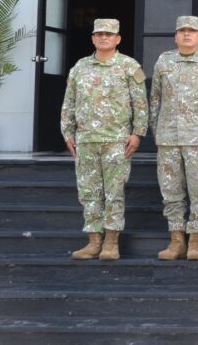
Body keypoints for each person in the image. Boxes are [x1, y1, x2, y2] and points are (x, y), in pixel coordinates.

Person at [61, 18, 148, 261]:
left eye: (109, 34)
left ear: (118, 39)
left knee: (114, 193)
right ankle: (93, 241)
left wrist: (138, 133)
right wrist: (68, 133)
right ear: (92, 38)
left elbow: (140, 103)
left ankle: (111, 242)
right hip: (86, 140)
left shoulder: (129, 67)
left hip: (117, 141)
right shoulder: (80, 67)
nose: (103, 38)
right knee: (89, 192)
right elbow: (69, 103)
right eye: (99, 34)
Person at [149, 16, 198, 261]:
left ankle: (195, 239)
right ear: (175, 36)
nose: (186, 35)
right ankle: (176, 240)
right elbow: (155, 99)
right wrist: (156, 129)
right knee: (171, 191)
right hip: (168, 138)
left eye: (191, 31)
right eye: (182, 31)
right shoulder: (164, 60)